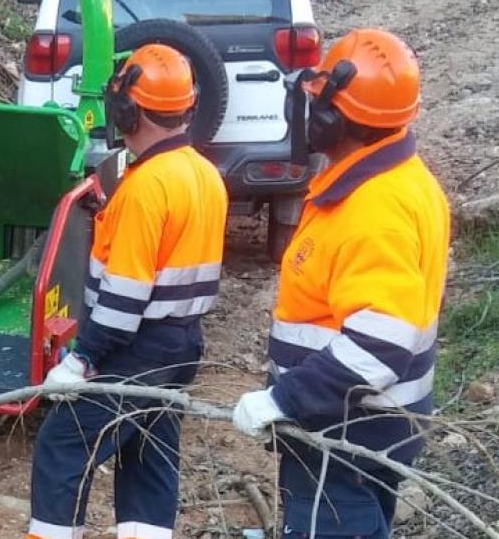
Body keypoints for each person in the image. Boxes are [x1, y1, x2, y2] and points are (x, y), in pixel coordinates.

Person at [231, 29, 449, 538]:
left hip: (349, 427)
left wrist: (284, 400)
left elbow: (381, 344)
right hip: (376, 423)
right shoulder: (399, 180)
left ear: (334, 116)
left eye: (315, 104)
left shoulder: (375, 209)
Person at [28, 43, 228, 539]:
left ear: (127, 110)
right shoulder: (204, 174)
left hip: (140, 345)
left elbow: (124, 298)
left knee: (63, 445)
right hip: (183, 342)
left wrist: (81, 361)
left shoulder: (146, 188)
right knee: (148, 450)